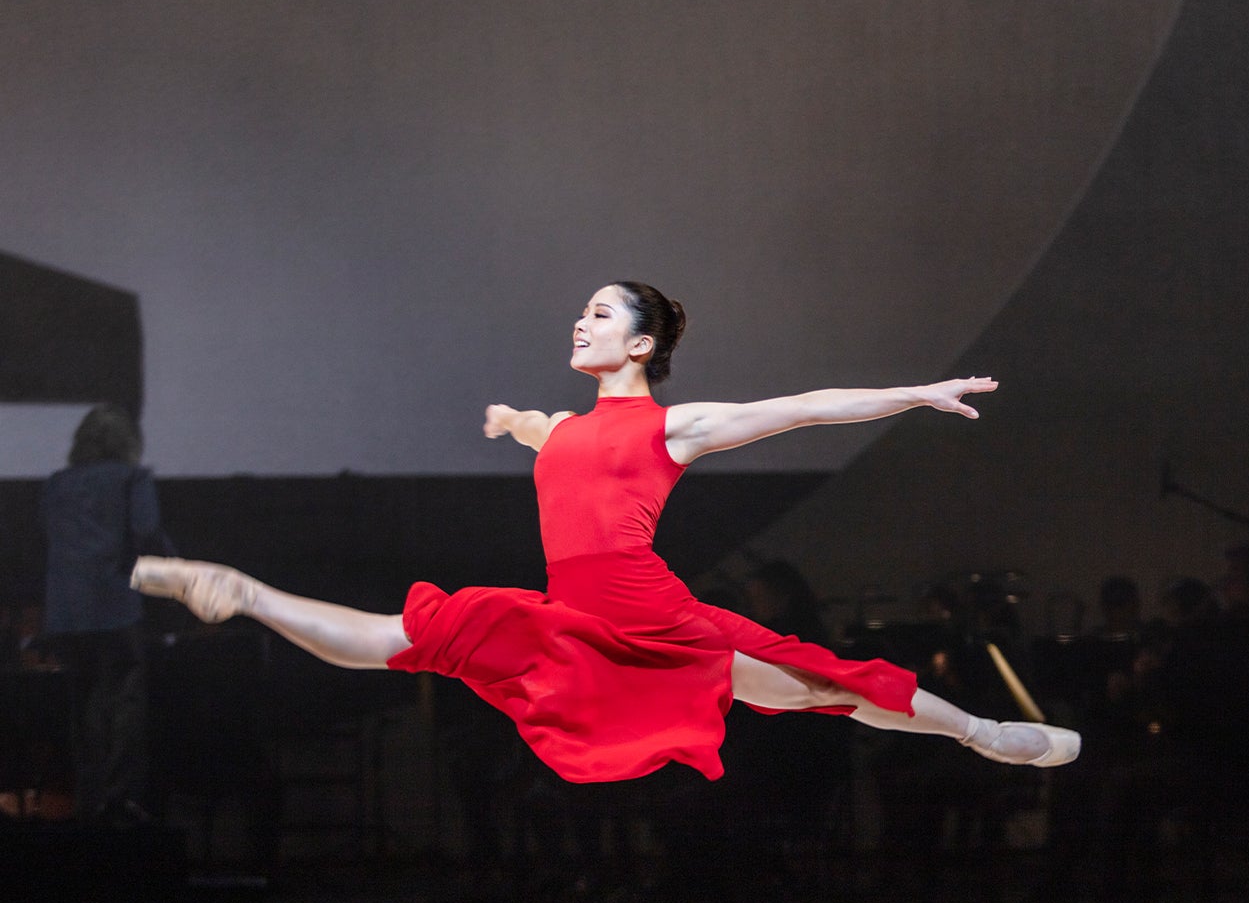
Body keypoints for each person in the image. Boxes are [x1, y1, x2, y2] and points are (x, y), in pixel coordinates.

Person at [131, 283, 1078, 788]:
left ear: (639, 346)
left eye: (599, 313)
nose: (578, 320)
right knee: (410, 639)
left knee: (813, 686)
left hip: (647, 608)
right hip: (571, 615)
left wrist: (910, 394)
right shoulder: (573, 429)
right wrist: (518, 426)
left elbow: (797, 409)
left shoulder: (672, 424)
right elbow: (562, 443)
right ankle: (245, 592)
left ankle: (982, 733)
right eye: (580, 310)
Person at [41, 404, 175, 826]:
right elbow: (146, 530)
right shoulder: (132, 479)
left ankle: (88, 798)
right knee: (126, 701)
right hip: (114, 606)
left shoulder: (57, 485)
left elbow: (51, 539)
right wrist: (178, 568)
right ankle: (120, 801)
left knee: (85, 705)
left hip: (65, 613)